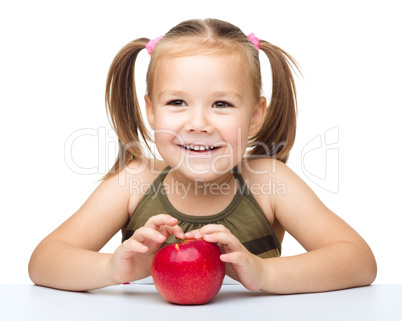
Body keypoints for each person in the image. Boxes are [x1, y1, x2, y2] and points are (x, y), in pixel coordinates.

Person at [28, 18, 377, 293]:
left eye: (221, 104)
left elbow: (359, 262)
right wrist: (113, 268)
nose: (198, 123)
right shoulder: (134, 182)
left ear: (255, 115)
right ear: (151, 111)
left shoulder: (269, 182)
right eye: (177, 102)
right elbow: (43, 262)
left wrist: (264, 272)